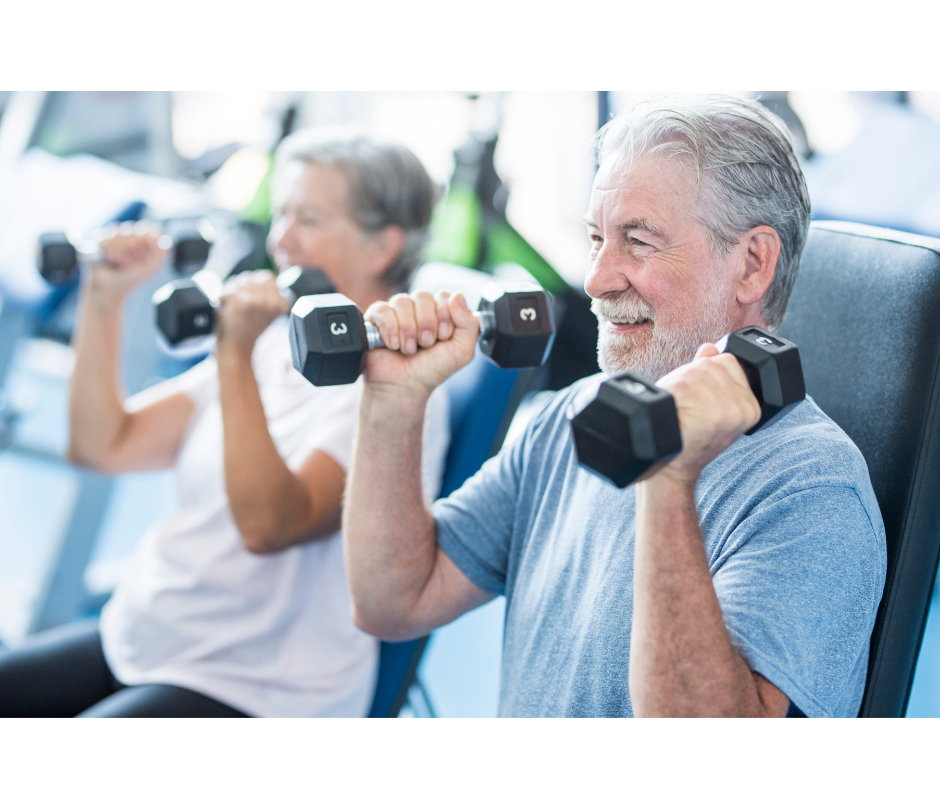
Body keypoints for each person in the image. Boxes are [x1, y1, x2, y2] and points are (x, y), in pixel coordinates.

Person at [342, 95, 887, 718]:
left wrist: (667, 475)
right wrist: (393, 399)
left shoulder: (812, 486)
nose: (596, 280)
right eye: (597, 238)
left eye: (639, 242)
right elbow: (393, 600)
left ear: (752, 265)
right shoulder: (570, 416)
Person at [0, 131, 449, 717]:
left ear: (382, 247)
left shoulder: (395, 388)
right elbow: (102, 446)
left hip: (251, 684)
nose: (281, 239)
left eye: (309, 220)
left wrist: (234, 352)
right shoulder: (275, 341)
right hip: (147, 634)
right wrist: (104, 298)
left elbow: (269, 525)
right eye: (282, 214)